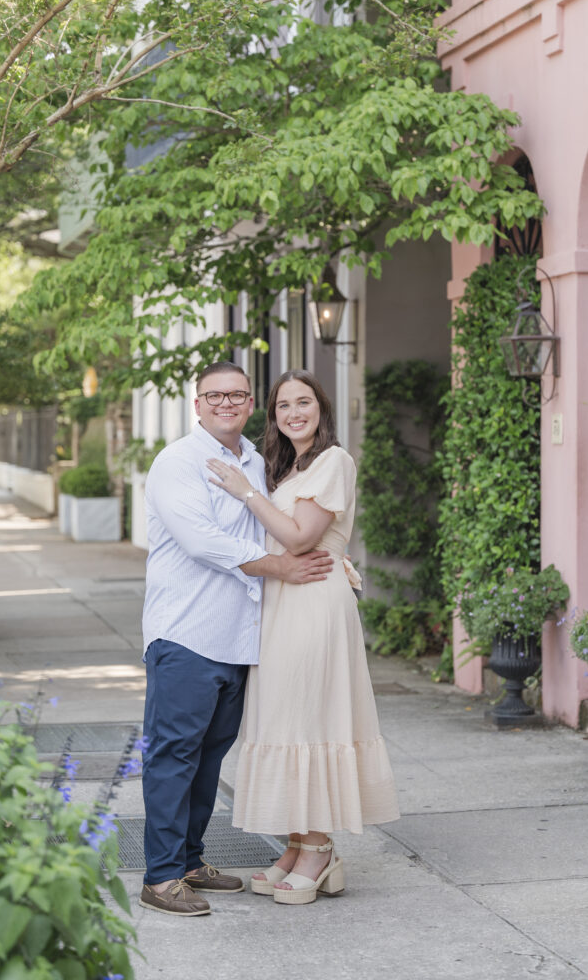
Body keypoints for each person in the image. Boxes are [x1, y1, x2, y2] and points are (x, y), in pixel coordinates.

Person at [139, 362, 334, 917]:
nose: (226, 402)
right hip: (187, 633)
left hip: (239, 637)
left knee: (209, 756)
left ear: (251, 404)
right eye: (214, 395)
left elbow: (281, 519)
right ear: (196, 403)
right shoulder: (177, 461)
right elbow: (203, 541)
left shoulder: (255, 461)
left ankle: (192, 861)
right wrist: (279, 567)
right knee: (174, 754)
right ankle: (160, 876)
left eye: (238, 394)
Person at [207, 369, 400, 906]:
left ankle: (319, 846)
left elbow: (298, 538)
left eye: (304, 402)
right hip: (282, 604)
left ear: (322, 409)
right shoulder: (290, 468)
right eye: (283, 405)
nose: (294, 413)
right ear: (273, 416)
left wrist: (246, 492)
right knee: (285, 716)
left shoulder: (334, 461)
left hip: (313, 603)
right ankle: (297, 843)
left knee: (310, 715)